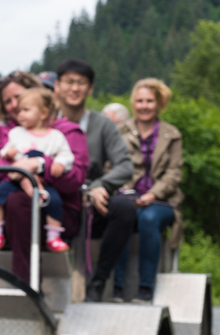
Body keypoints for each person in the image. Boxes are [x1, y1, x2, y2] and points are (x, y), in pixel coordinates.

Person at [0, 71, 89, 287]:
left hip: (55, 208)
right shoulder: (3, 132)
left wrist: (39, 164)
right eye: (7, 101)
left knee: (19, 202)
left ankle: (26, 286)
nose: (13, 106)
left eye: (18, 98)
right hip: (11, 199)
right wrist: (23, 174)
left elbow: (74, 178)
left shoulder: (66, 132)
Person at [53, 59, 136, 302]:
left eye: (81, 83)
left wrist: (99, 185)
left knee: (124, 209)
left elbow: (125, 165)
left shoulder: (103, 125)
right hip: (55, 199)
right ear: (57, 86)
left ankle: (98, 284)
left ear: (90, 89)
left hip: (91, 201)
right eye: (69, 82)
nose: (75, 88)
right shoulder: (45, 121)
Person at [114, 78, 183, 303]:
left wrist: (152, 194)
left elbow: (174, 173)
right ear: (133, 103)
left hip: (161, 201)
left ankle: (145, 288)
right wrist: (127, 193)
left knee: (149, 218)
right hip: (128, 197)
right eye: (140, 100)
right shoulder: (120, 131)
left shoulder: (172, 134)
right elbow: (112, 167)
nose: (144, 105)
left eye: (149, 101)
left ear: (159, 103)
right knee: (123, 214)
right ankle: (117, 288)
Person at [0, 88, 74, 253]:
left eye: (26, 110)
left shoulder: (55, 136)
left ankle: (53, 237)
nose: (20, 114)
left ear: (43, 113)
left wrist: (60, 163)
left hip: (43, 179)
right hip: (16, 179)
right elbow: (5, 150)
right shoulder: (16, 133)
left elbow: (67, 156)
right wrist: (8, 153)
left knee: (54, 201)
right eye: (19, 111)